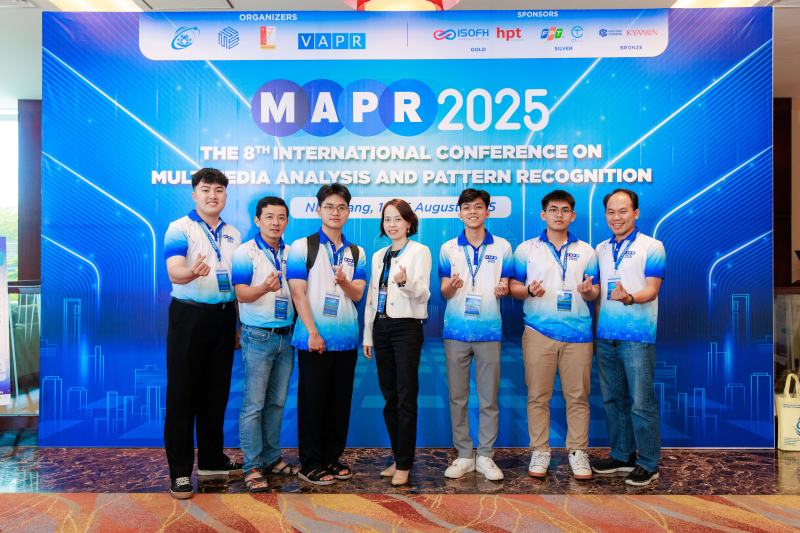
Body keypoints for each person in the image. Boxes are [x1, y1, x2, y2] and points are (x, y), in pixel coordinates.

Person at [163, 168, 243, 500]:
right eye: (206, 189)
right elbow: (174, 272)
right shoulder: (180, 228)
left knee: (216, 395)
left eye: (219, 190)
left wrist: (238, 323)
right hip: (189, 317)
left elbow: (236, 284)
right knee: (182, 396)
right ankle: (180, 472)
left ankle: (211, 461)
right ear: (194, 194)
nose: (213, 195)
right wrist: (190, 272)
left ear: (225, 195)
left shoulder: (233, 234)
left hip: (223, 318)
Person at [509, 190, 600, 480]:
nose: (558, 214)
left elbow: (595, 291)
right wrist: (528, 290)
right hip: (538, 331)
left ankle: (578, 452)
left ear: (572, 215)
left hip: (578, 334)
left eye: (564, 210)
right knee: (538, 396)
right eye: (553, 209)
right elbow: (513, 287)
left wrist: (589, 291)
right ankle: (540, 450)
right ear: (543, 214)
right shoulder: (526, 249)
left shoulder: (587, 251)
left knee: (578, 396)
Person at [286, 184, 367, 486]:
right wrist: (312, 332)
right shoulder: (302, 246)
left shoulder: (356, 252)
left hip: (346, 339)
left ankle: (332, 457)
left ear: (348, 211)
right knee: (312, 403)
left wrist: (343, 281)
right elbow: (297, 292)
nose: (336, 212)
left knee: (339, 403)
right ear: (318, 210)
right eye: (329, 207)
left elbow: (357, 294)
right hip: (314, 339)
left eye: (341, 207)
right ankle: (310, 463)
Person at [591, 188, 666, 487]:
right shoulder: (600, 249)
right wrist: (596, 331)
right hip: (605, 336)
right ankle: (622, 456)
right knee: (613, 399)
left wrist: (630, 298)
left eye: (623, 211)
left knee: (641, 402)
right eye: (611, 211)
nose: (616, 217)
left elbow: (652, 289)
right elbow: (599, 296)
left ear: (636, 213)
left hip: (637, 336)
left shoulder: (652, 246)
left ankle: (648, 463)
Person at [439, 188, 513, 482]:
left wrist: (503, 289)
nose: (473, 212)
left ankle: (485, 455)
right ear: (459, 213)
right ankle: (463, 455)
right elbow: (444, 291)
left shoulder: (503, 247)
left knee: (488, 398)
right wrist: (452, 286)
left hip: (489, 331)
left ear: (487, 211)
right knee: (457, 397)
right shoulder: (448, 248)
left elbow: (505, 285)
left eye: (478, 206)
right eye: (467, 207)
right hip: (455, 332)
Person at [231, 196, 298, 493]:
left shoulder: (292, 253)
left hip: (288, 335)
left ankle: (272, 458)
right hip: (258, 336)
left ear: (287, 221)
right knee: (254, 405)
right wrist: (264, 288)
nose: (275, 222)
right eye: (269, 217)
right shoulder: (245, 252)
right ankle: (252, 466)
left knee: (277, 402)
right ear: (257, 220)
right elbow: (241, 294)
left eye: (281, 217)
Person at [362, 199, 432, 487]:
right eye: (387, 219)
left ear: (409, 223)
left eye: (397, 219)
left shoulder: (419, 251)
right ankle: (398, 457)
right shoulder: (378, 254)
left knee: (405, 397)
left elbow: (424, 294)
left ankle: (405, 464)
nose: (391, 224)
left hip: (406, 328)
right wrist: (368, 334)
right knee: (389, 396)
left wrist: (405, 283)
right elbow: (372, 296)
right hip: (381, 326)